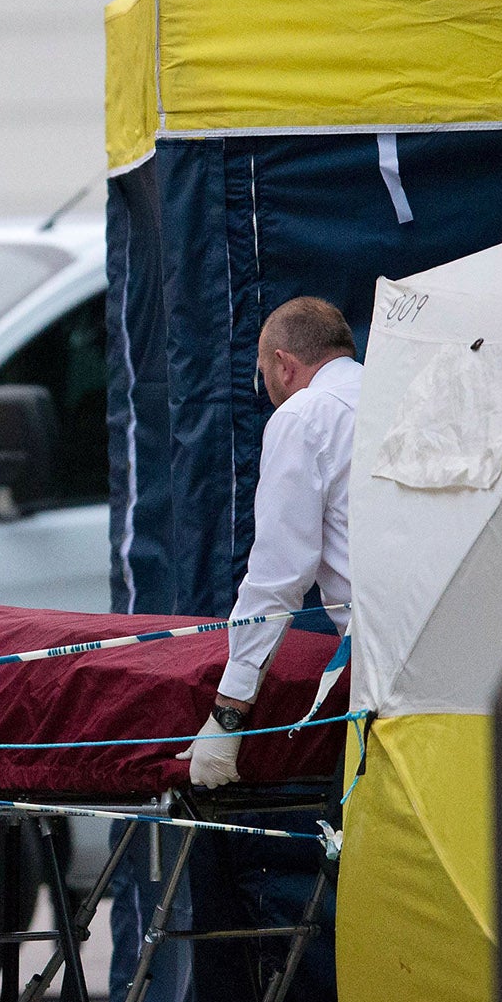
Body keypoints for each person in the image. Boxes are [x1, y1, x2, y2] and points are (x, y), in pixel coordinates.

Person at [182, 296, 362, 787]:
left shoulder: (305, 416)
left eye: (263, 377)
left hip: (387, 664)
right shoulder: (401, 393)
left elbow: (278, 578)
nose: (267, 391)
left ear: (283, 364)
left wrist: (227, 716)